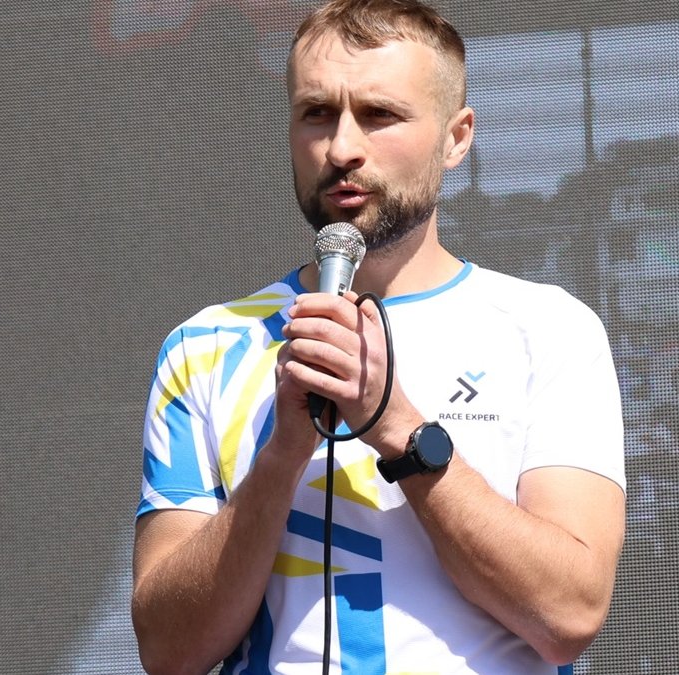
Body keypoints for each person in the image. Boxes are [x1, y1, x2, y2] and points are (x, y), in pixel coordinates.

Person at [129, 1, 626, 672]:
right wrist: (282, 455)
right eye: (316, 113)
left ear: (456, 138)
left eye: (379, 115)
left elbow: (569, 614)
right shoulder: (207, 345)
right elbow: (167, 650)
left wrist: (396, 426)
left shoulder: (550, 330)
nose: (341, 148)